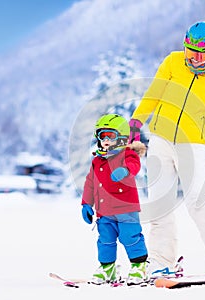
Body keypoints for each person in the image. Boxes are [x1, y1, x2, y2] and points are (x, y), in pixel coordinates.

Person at [129, 21, 205, 277]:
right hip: (160, 140)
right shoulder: (172, 62)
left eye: (200, 53)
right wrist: (137, 121)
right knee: (160, 203)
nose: (193, 57)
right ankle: (162, 262)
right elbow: (154, 93)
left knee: (198, 201)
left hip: (192, 145)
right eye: (189, 50)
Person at [81, 114, 149, 285]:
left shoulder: (127, 154)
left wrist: (125, 171)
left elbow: (135, 165)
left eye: (110, 136)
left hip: (126, 208)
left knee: (130, 237)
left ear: (121, 137)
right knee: (105, 240)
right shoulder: (97, 160)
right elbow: (90, 183)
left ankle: (139, 266)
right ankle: (108, 269)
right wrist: (86, 204)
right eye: (101, 135)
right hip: (104, 212)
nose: (105, 140)